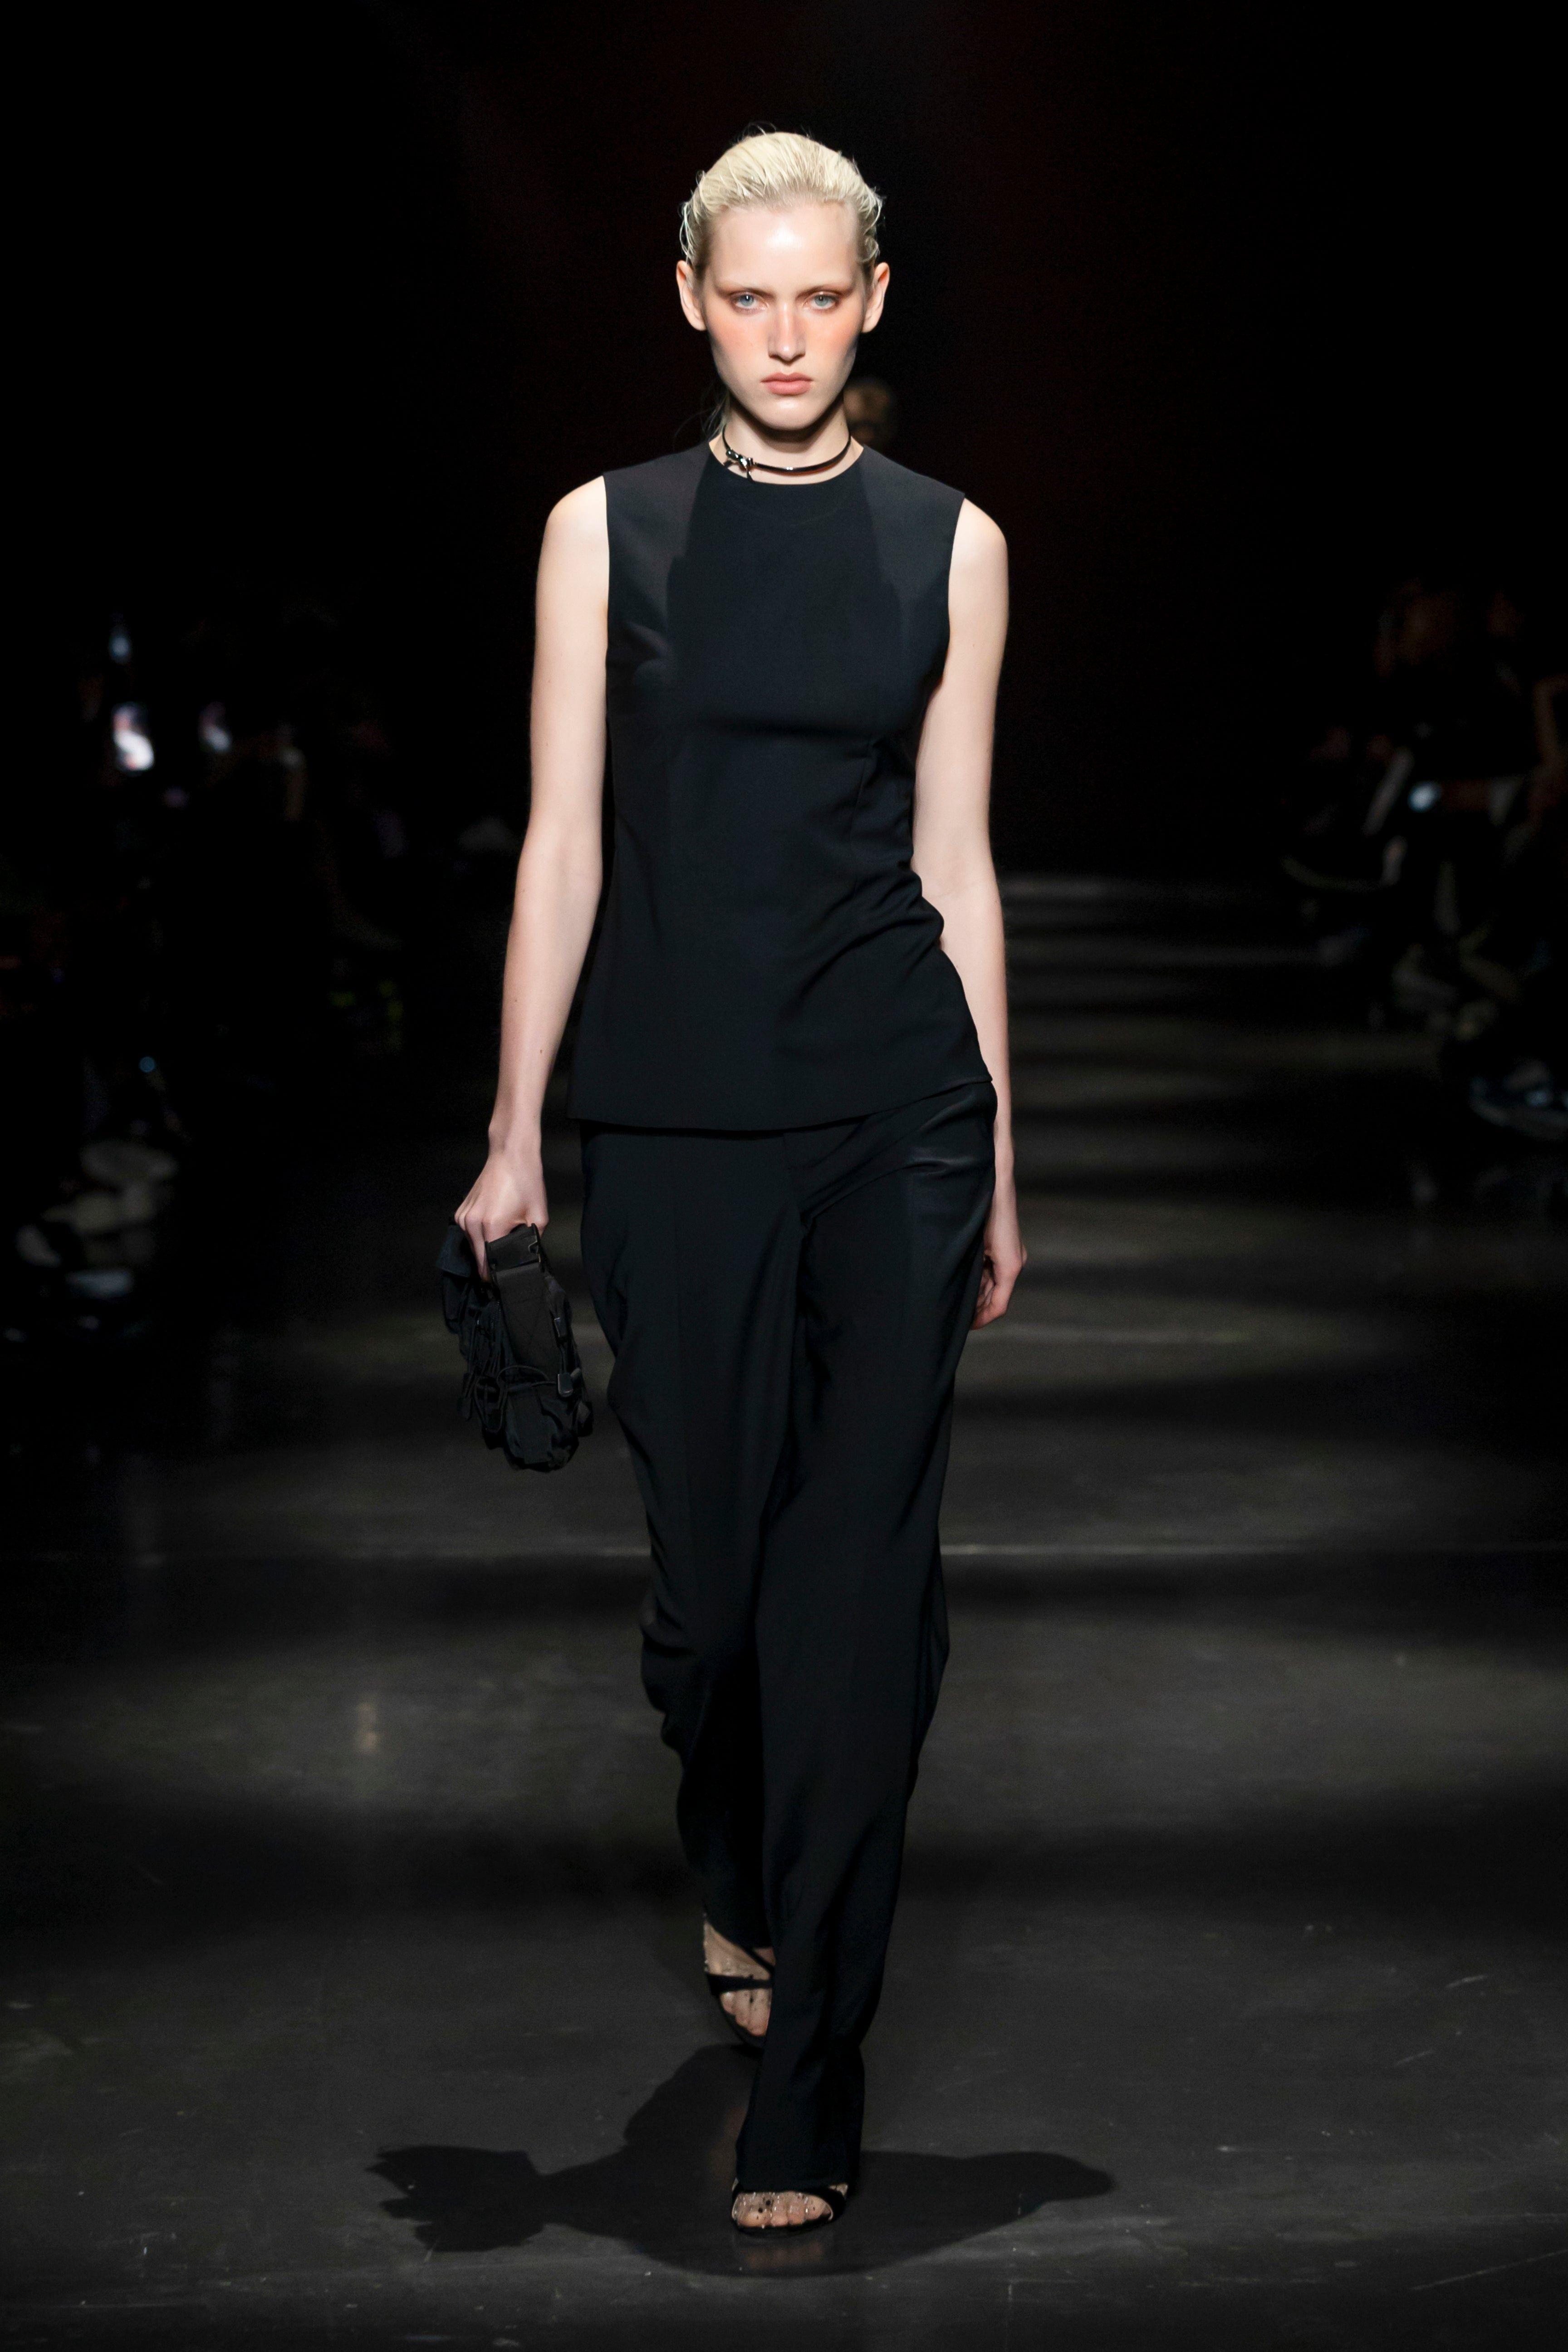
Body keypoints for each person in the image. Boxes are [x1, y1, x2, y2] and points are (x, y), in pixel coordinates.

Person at [456, 131, 1023, 2235]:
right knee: (710, 1604)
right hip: (673, 1117)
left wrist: (999, 1154)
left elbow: (956, 861)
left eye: (822, 296)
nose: (787, 337)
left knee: (857, 1588)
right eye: (749, 297)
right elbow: (563, 842)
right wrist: (516, 1128)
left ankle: (816, 2068)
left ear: (873, 298)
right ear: (692, 298)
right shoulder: (602, 532)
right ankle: (733, 1850)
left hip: (894, 1113)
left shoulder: (952, 542)